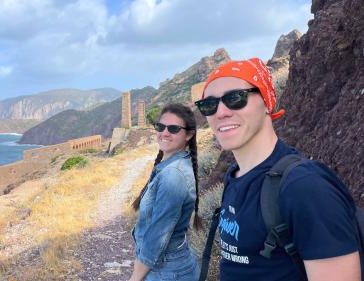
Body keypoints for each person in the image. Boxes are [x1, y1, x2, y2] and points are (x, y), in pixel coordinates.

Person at [195, 58, 360, 281]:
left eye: (235, 98)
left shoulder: (305, 187)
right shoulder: (235, 177)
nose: (220, 112)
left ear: (266, 102)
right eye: (209, 105)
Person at [129, 103, 200, 281]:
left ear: (189, 135)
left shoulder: (173, 175)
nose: (164, 133)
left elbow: (157, 236)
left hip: (166, 272)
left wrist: (135, 277)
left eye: (174, 129)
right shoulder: (170, 167)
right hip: (170, 266)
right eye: (160, 127)